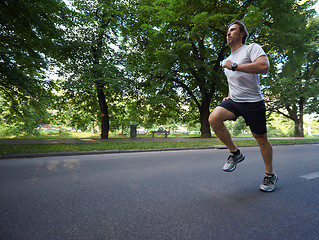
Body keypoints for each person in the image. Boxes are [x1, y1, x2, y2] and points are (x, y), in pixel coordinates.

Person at [208, 20, 278, 192]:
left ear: (242, 34)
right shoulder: (228, 60)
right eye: (227, 31)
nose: (228, 33)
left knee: (261, 139)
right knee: (214, 118)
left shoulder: (251, 48)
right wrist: (229, 95)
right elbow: (234, 82)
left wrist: (234, 66)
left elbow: (264, 67)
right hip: (235, 101)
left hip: (253, 102)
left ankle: (270, 175)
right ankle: (235, 153)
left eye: (232, 30)